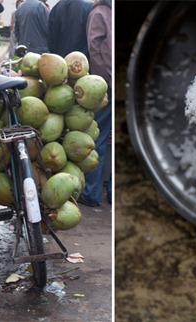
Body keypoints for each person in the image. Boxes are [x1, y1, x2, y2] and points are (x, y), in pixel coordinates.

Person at [78, 0, 112, 206]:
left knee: (97, 137)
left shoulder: (99, 12)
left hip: (104, 85)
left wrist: (104, 81)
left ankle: (91, 193)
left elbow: (94, 48)